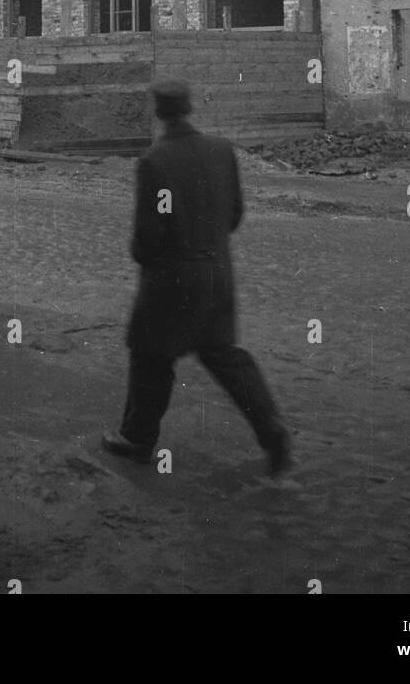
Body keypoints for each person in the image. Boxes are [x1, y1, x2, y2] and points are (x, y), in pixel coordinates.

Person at [102, 79, 291, 476]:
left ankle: (137, 439)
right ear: (189, 108)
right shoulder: (221, 152)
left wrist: (142, 253)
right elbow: (235, 214)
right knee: (225, 356)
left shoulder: (155, 161)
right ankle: (271, 429)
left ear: (159, 113)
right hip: (218, 273)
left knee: (150, 358)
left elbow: (150, 235)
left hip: (171, 282)